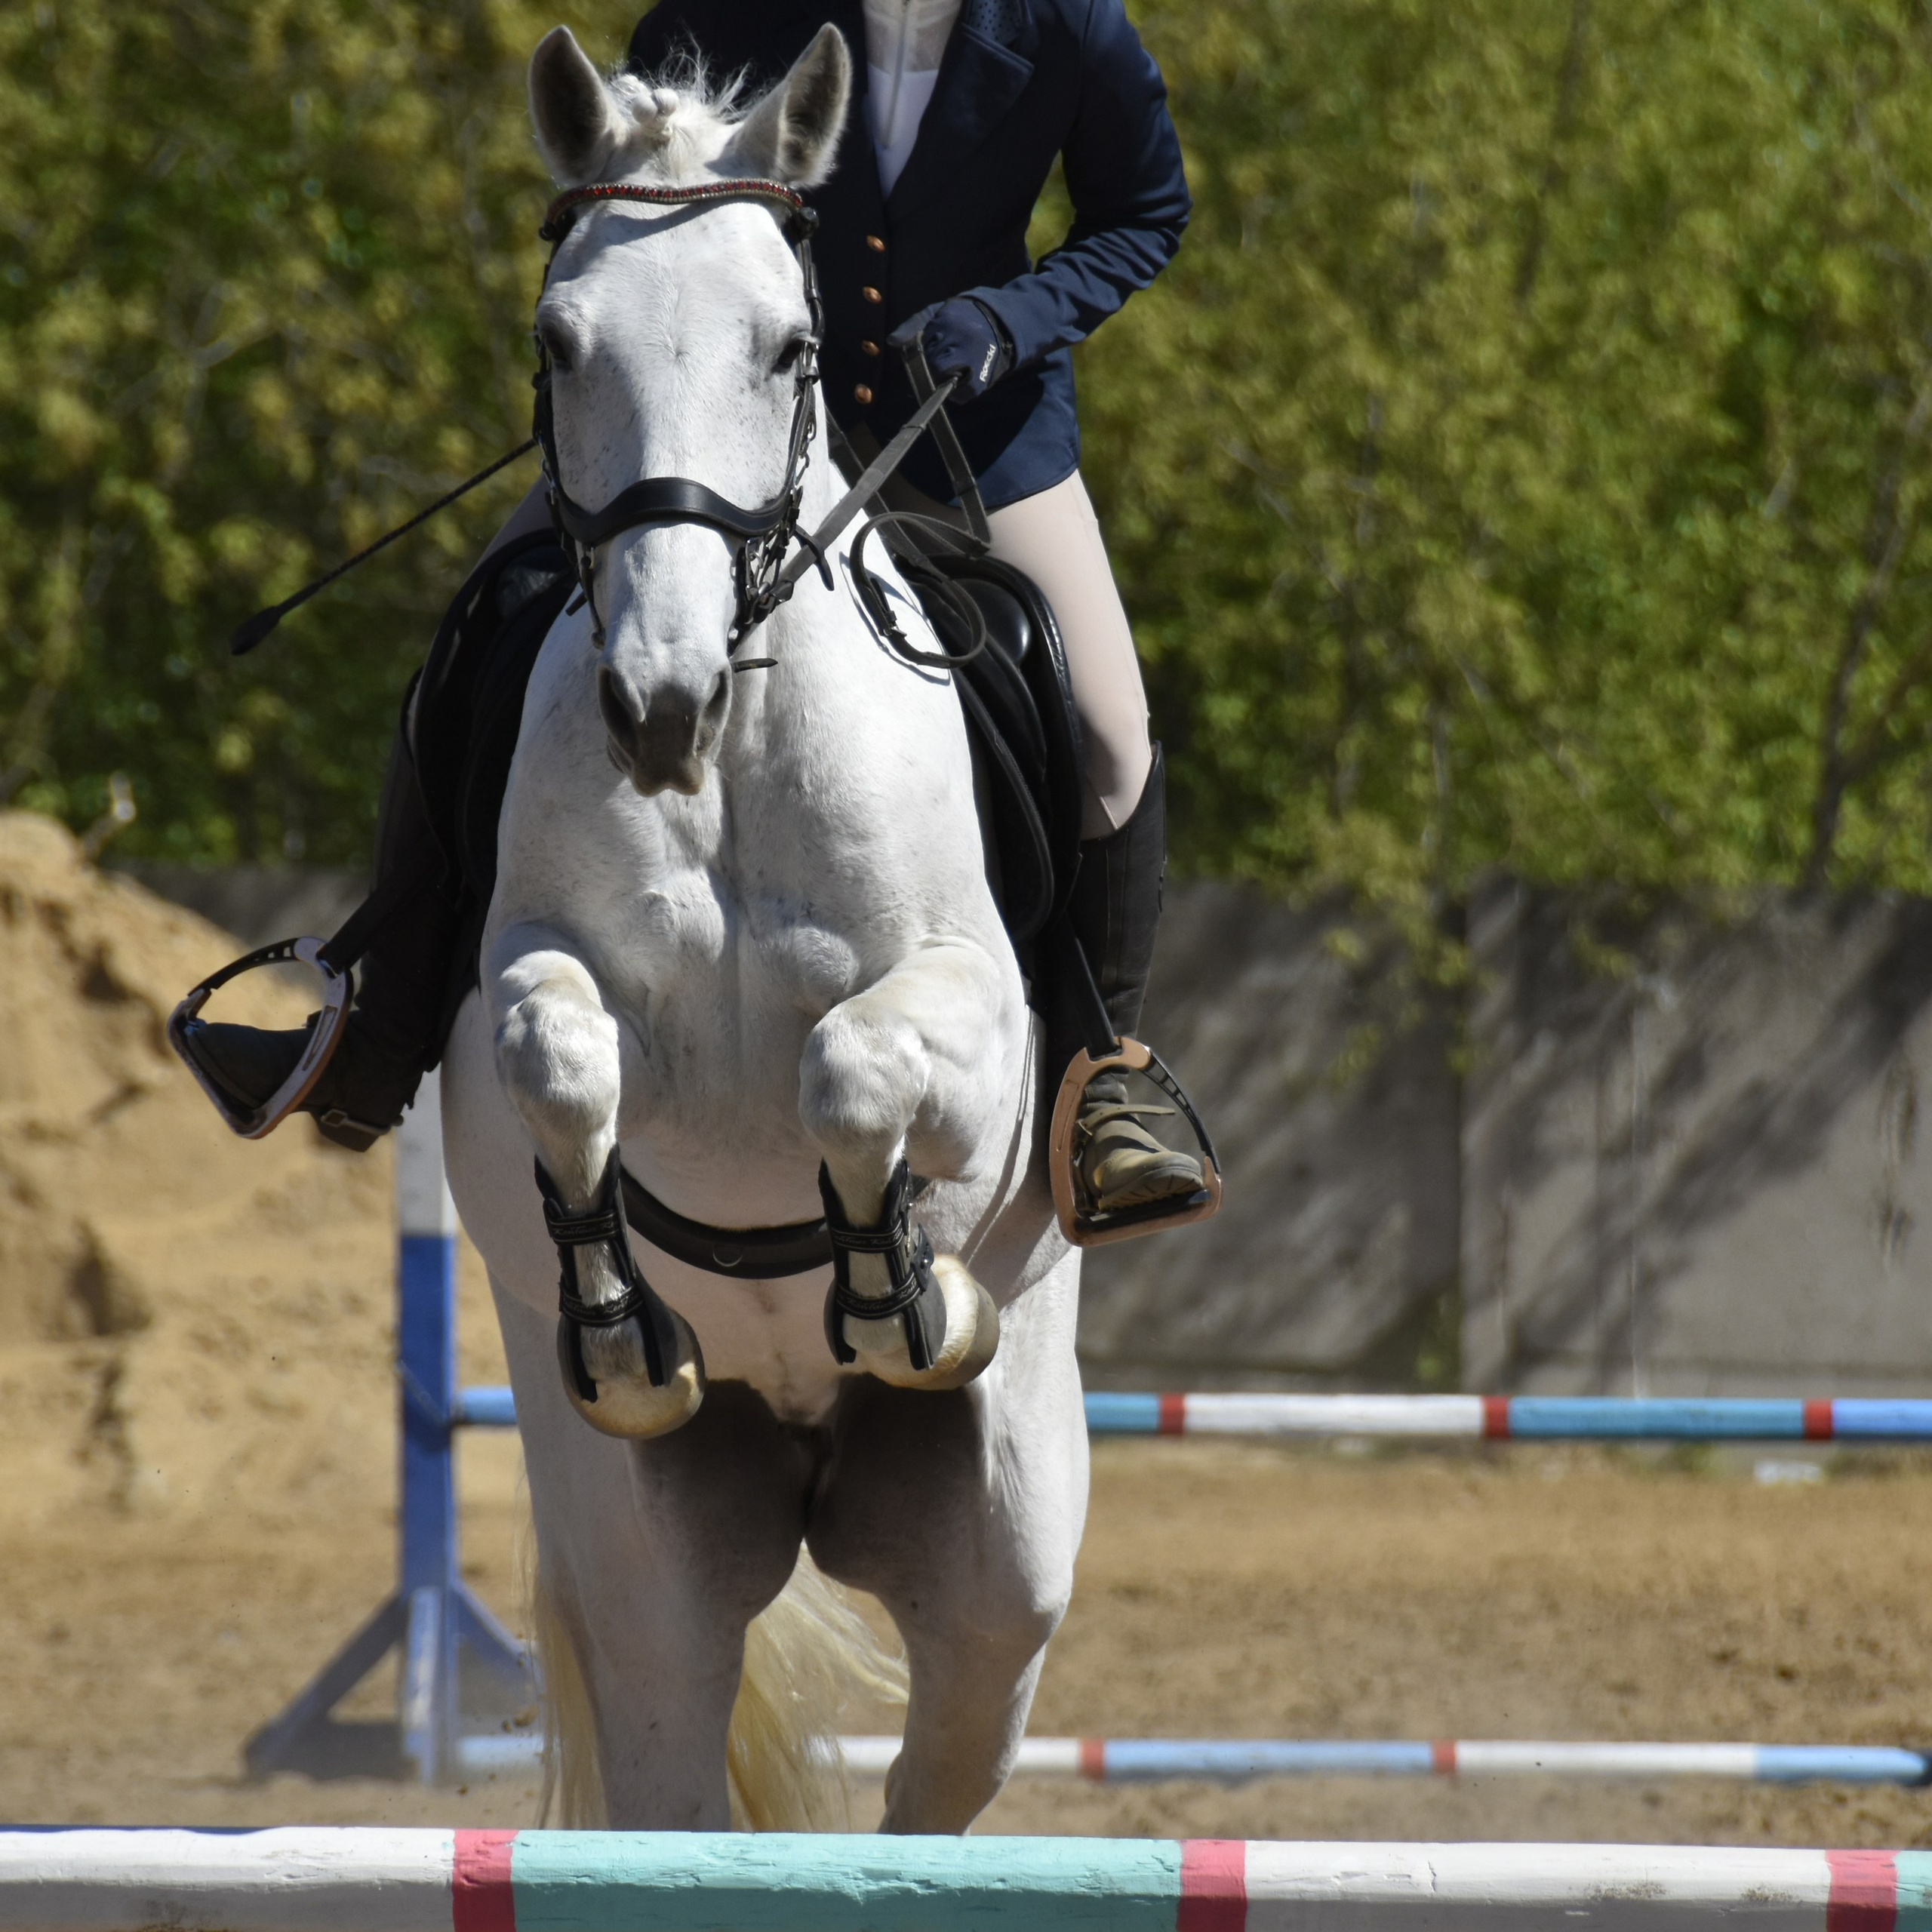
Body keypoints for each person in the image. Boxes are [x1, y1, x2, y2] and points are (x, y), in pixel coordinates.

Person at [177, 0, 1204, 1219]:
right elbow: (631, 196)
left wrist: (1011, 319)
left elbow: (1147, 211)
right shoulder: (722, 12)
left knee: (1106, 733)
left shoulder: (1071, 26)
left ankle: (1103, 1080)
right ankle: (378, 1018)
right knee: (477, 634)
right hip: (720, 432)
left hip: (970, 430)